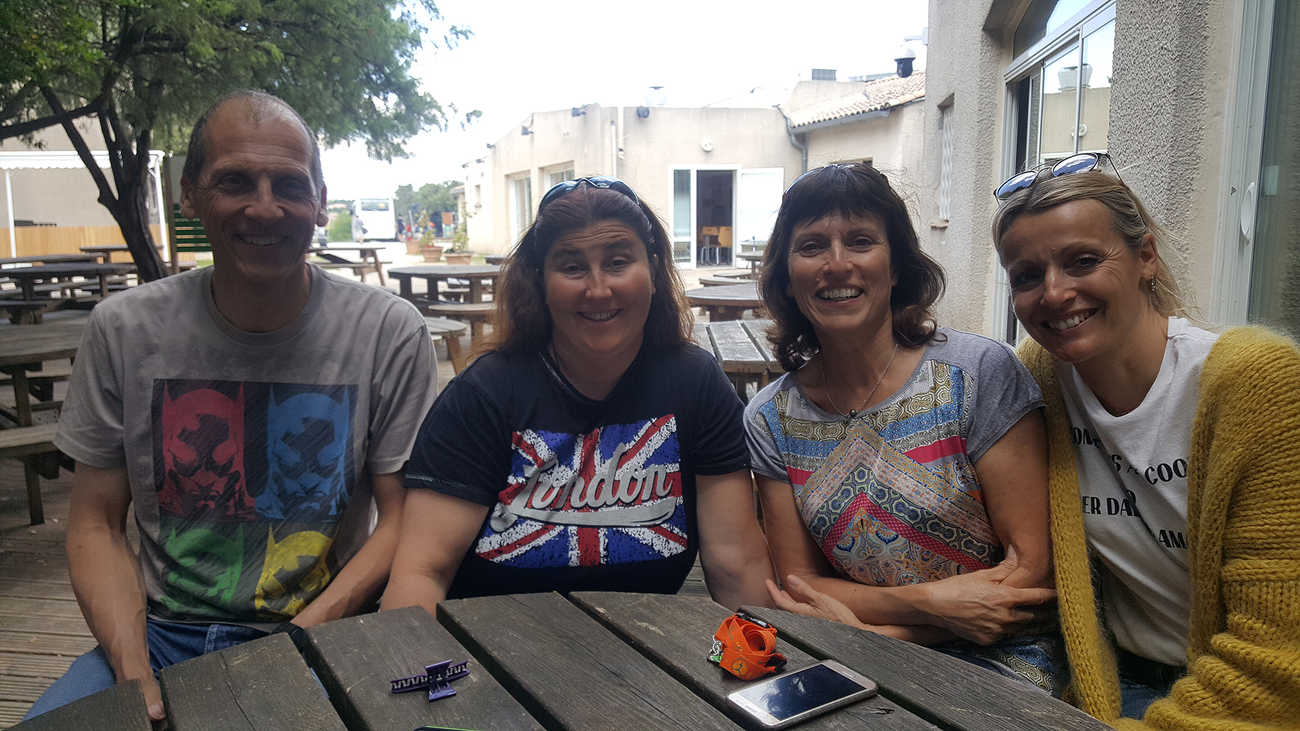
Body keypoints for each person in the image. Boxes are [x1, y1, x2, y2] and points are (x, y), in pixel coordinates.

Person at [25, 91, 436, 721]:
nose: (265, 207)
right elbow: (95, 525)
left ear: (320, 202)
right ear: (189, 195)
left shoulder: (388, 332)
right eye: (235, 181)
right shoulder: (124, 330)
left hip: (325, 633)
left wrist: (302, 638)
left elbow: (402, 519)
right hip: (160, 635)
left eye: (289, 185)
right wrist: (133, 673)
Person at [992, 153, 1300, 726]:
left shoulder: (1260, 387)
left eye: (1083, 261)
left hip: (1242, 694)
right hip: (1111, 683)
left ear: (1146, 257)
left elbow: (1277, 662)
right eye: (1027, 276)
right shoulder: (1037, 378)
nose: (1054, 293)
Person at [382, 177, 774, 613]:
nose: (599, 289)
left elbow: (736, 564)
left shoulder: (695, 383)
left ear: (654, 271)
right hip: (488, 644)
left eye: (618, 262)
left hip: (648, 642)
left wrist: (763, 648)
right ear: (540, 281)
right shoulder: (483, 394)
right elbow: (422, 573)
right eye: (572, 267)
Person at [745, 163, 1062, 694]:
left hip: (1005, 657)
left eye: (861, 241)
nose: (837, 264)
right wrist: (928, 604)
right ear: (787, 277)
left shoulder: (978, 374)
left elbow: (1030, 575)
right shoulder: (771, 419)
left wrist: (880, 631)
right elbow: (800, 588)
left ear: (896, 268)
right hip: (855, 649)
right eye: (812, 246)